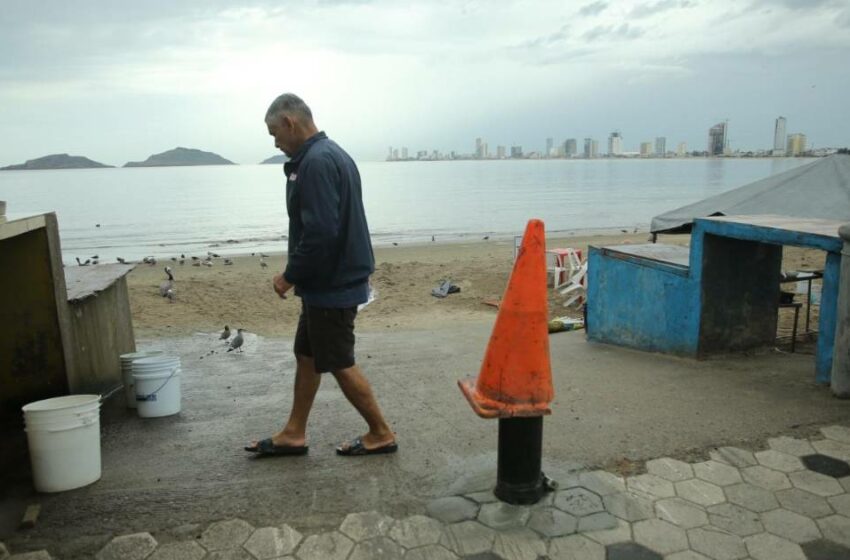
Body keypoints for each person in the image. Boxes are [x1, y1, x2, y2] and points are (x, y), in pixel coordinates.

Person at [245, 93, 396, 457]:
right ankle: (294, 432)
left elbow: (321, 232)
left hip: (333, 284)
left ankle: (381, 432)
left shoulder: (316, 162)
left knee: (340, 362)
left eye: (273, 133)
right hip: (328, 281)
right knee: (308, 355)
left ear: (289, 123)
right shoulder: (331, 154)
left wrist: (289, 275)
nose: (275, 142)